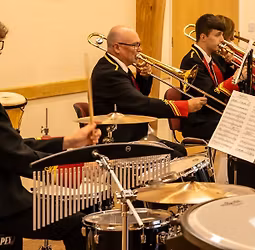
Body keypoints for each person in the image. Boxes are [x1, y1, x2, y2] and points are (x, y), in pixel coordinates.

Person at [0, 21, 102, 250]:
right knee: (78, 224)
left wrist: (68, 142)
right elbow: (14, 155)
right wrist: (66, 172)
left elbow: (12, 145)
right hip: (5, 205)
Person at [180, 14, 255, 192]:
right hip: (201, 119)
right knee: (254, 128)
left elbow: (234, 81)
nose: (223, 40)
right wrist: (236, 77)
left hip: (220, 112)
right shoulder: (191, 60)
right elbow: (210, 96)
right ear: (203, 37)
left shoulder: (214, 58)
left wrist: (237, 65)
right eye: (218, 35)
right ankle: (251, 185)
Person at [91, 25, 207, 156]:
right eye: (135, 45)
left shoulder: (117, 66)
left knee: (179, 150)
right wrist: (185, 106)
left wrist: (143, 77)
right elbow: (140, 104)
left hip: (133, 133)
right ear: (117, 47)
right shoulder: (109, 72)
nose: (140, 50)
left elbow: (134, 97)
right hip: (120, 140)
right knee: (176, 154)